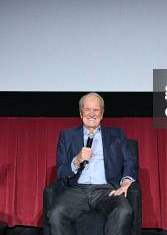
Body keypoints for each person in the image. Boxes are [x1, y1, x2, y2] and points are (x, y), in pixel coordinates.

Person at [46, 92, 138, 235]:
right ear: (81, 113)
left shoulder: (116, 134)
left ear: (101, 114)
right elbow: (60, 171)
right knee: (55, 214)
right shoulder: (67, 136)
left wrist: (125, 182)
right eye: (87, 109)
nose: (91, 114)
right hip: (76, 189)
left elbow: (130, 161)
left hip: (106, 189)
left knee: (124, 210)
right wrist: (76, 160)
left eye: (96, 110)